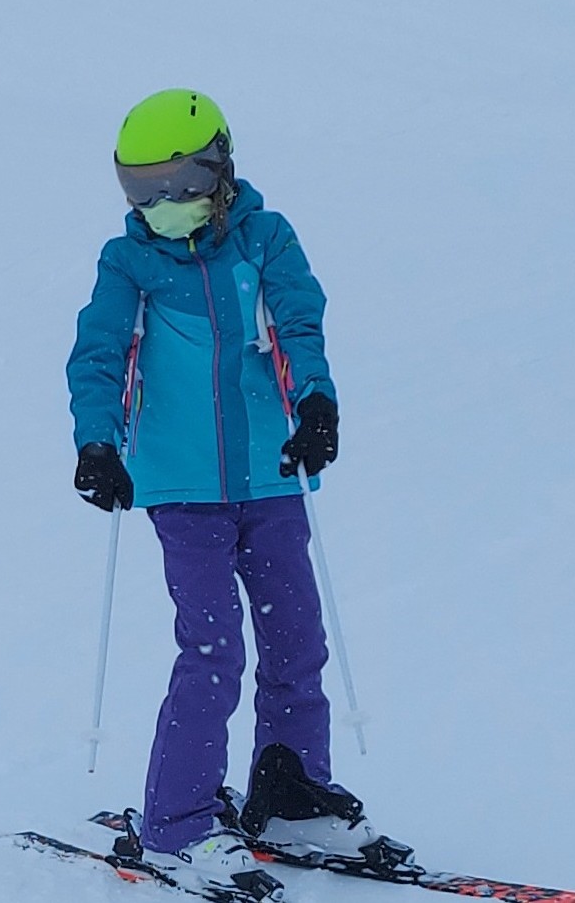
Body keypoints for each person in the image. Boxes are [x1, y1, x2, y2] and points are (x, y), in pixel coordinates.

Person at [66, 89, 410, 897]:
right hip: (183, 487)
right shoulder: (129, 262)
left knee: (296, 635)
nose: (162, 202)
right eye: (141, 186)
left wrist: (316, 403)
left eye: (178, 180)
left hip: (271, 473)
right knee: (213, 646)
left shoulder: (265, 237)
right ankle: (177, 820)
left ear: (218, 168)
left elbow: (298, 322)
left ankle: (289, 791)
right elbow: (100, 353)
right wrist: (97, 442)